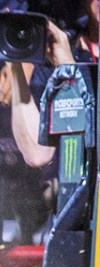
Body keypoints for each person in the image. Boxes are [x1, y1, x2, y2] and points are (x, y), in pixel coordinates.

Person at [9, 5, 99, 167]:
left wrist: (68, 68)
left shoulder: (65, 58)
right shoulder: (59, 51)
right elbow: (37, 154)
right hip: (72, 187)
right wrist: (13, 60)